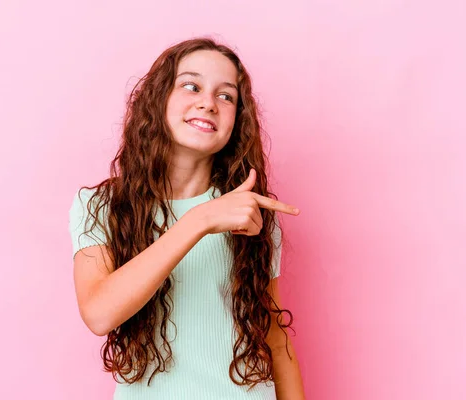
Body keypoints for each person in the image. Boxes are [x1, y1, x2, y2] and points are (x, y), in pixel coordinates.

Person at [68, 37, 305, 399]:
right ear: (159, 99)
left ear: (237, 121)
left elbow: (275, 340)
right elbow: (100, 314)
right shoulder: (100, 205)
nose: (208, 103)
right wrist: (201, 220)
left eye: (226, 96)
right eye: (191, 86)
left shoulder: (249, 211)